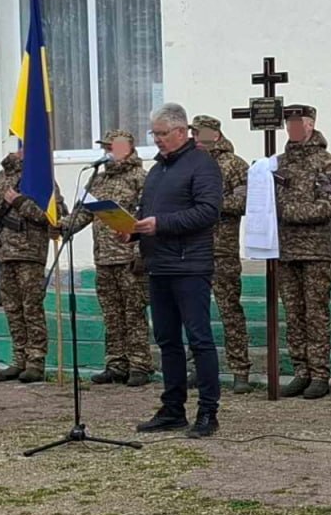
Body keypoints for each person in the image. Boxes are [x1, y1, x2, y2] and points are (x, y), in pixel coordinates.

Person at [130, 103, 223, 438]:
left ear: (182, 131)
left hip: (190, 265)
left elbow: (208, 212)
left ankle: (208, 412)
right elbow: (148, 210)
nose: (157, 139)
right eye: (153, 133)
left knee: (199, 339)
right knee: (167, 339)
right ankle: (172, 409)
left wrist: (161, 224)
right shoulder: (158, 170)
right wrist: (131, 229)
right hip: (159, 265)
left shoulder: (202, 164)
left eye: (162, 133)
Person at [63, 130, 152, 387]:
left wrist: (140, 252)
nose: (107, 152)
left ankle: (139, 365)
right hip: (104, 258)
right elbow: (83, 213)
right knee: (112, 315)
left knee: (133, 314)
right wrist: (62, 225)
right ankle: (116, 364)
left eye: (112, 147)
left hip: (129, 258)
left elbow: (146, 216)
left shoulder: (141, 178)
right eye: (105, 148)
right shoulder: (98, 180)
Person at [0, 148, 66, 383]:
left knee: (31, 308)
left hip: (30, 253)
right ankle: (18, 360)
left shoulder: (40, 179)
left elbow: (54, 216)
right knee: (12, 309)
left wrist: (19, 202)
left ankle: (35, 362)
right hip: (4, 252)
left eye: (25, 145)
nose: (19, 150)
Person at [275, 104, 331, 399]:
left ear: (310, 125)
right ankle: (301, 371)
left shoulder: (326, 162)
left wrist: (290, 212)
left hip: (314, 251)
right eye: (288, 123)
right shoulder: (279, 163)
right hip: (285, 250)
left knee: (315, 314)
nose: (291, 128)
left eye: (297, 123)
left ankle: (319, 374)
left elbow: (330, 204)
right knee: (293, 314)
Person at [191, 115, 252, 394]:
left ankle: (240, 370)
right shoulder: (189, 163)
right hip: (193, 249)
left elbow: (242, 202)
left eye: (199, 133)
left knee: (230, 311)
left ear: (214, 135)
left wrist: (208, 204)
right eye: (193, 133)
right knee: (194, 313)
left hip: (222, 250)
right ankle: (198, 368)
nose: (194, 138)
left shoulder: (235, 165)